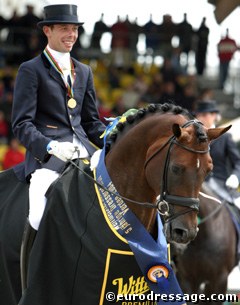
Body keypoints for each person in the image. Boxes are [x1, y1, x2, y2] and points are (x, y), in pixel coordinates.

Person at [11, 3, 106, 290]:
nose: (71, 34)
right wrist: (50, 146)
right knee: (39, 205)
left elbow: (91, 123)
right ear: (47, 30)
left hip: (83, 153)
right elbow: (21, 124)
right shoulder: (31, 70)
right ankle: (32, 275)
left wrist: (113, 140)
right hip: (48, 158)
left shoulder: (84, 71)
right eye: (64, 28)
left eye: (74, 29)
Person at [194, 100, 240, 209]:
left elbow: (238, 161)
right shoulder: (194, 140)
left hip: (223, 184)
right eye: (198, 115)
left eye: (204, 115)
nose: (200, 119)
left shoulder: (225, 137)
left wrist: (235, 176)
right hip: (198, 186)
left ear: (214, 115)